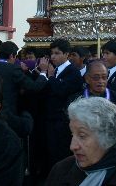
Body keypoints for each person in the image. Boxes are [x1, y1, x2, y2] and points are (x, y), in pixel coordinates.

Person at [37, 38, 82, 174]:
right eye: (52, 53)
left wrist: (50, 77)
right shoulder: (55, 70)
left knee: (60, 155)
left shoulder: (72, 72)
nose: (53, 57)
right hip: (49, 119)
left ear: (66, 54)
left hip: (61, 121)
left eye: (57, 53)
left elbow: (61, 91)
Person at [0, 41, 47, 138]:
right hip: (9, 116)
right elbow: (33, 87)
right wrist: (43, 72)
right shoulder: (13, 69)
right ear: (12, 56)